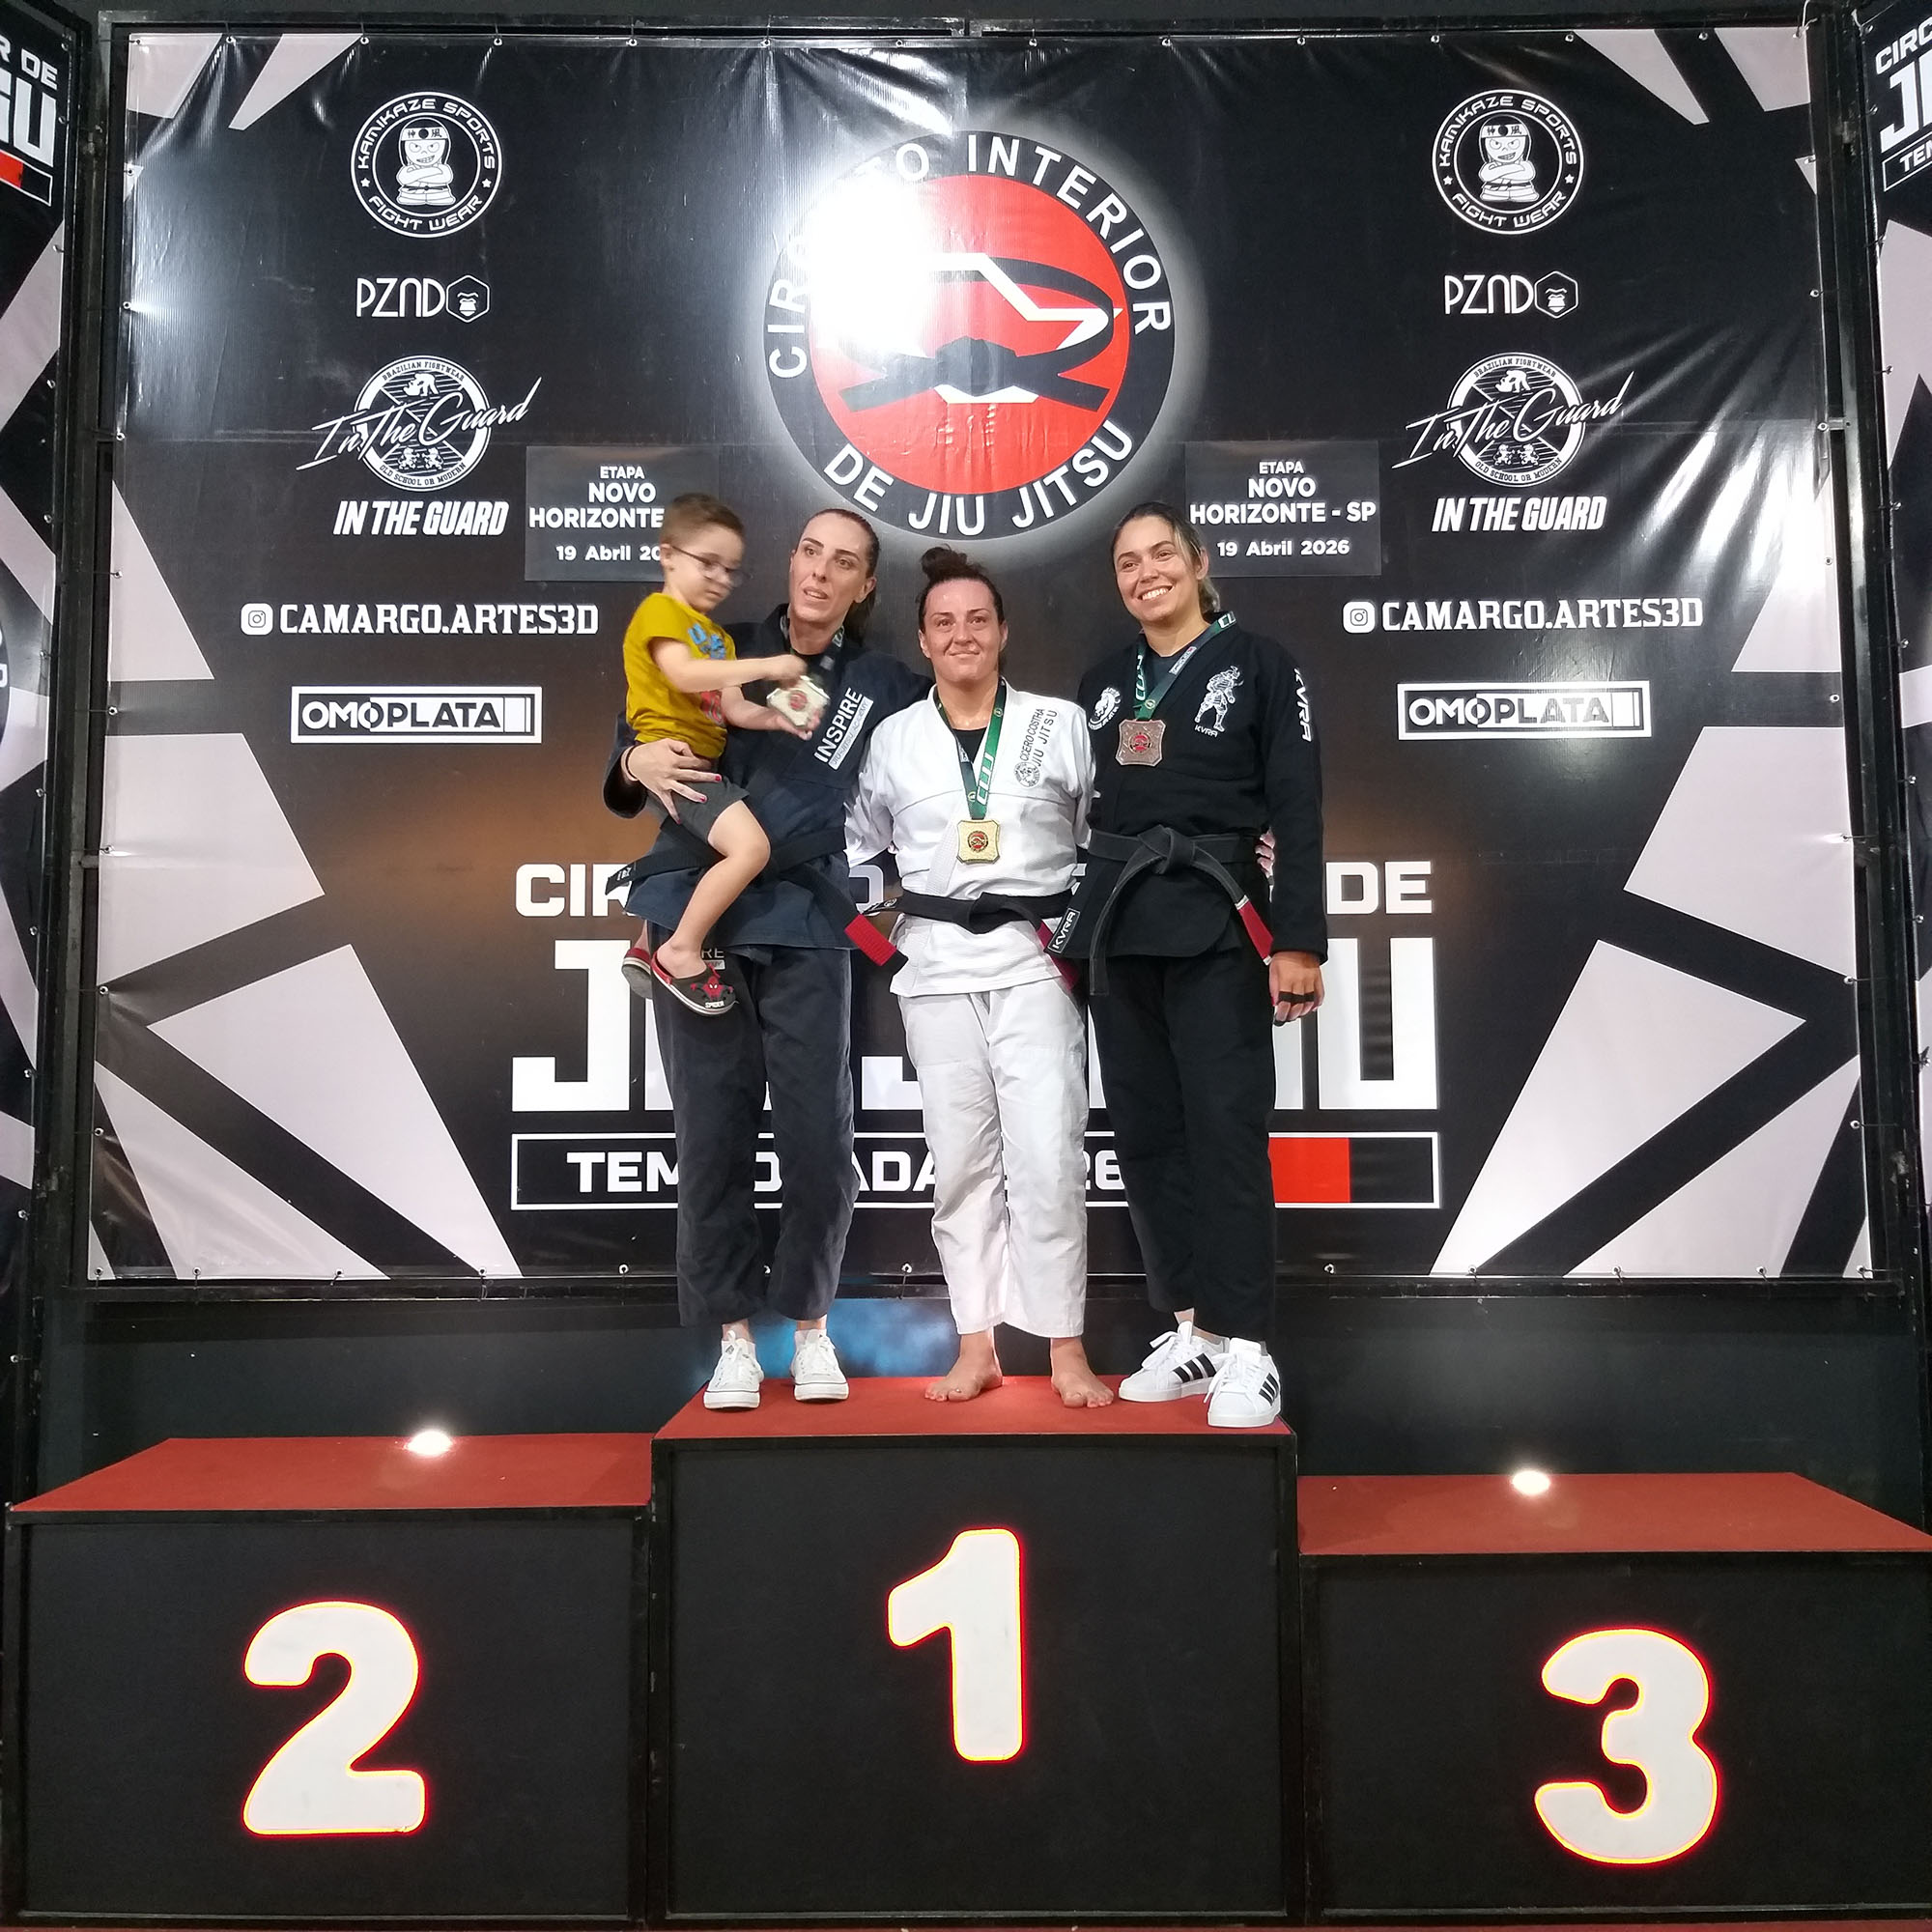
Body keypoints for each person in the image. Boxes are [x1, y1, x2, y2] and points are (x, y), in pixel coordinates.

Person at [606, 508, 926, 1410]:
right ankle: (734, 1341)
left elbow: (961, 727)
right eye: (810, 552)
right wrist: (633, 759)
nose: (820, 572)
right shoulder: (722, 642)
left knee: (820, 1143)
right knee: (712, 1138)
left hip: (806, 917)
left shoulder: (882, 682)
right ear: (790, 562)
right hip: (696, 913)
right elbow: (634, 737)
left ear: (864, 586)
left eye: (844, 563)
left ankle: (813, 1326)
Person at [1052, 503, 1325, 1429]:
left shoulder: (1263, 665)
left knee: (1226, 1133)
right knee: (1147, 1137)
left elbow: (1299, 807)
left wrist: (1297, 941)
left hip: (1217, 920)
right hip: (1121, 928)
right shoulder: (1102, 682)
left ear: (1199, 562)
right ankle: (1192, 1329)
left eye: (1161, 554)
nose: (1146, 574)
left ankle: (1250, 1346)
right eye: (1128, 563)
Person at [847, 549, 1112, 1409]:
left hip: (1036, 963)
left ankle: (1065, 1346)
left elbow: (1100, 834)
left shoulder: (1059, 724)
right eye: (943, 623)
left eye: (977, 620)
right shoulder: (894, 739)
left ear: (1003, 632)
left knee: (1049, 1156)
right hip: (934, 968)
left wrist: (1075, 927)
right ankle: (977, 1345)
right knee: (960, 1163)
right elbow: (860, 845)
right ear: (923, 641)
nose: (961, 634)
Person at [617, 493, 814, 1016]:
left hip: (704, 766)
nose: (721, 579)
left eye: (731, 570)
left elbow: (731, 708)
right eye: (708, 563)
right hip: (677, 763)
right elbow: (684, 675)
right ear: (667, 554)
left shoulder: (719, 639)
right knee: (751, 850)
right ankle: (678, 951)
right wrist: (768, 665)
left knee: (708, 854)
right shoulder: (660, 612)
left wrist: (775, 718)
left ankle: (648, 940)